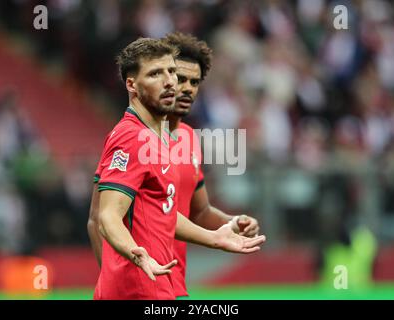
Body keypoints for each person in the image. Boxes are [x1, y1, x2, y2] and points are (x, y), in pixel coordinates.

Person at [89, 37, 265, 300]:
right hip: (138, 284)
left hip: (165, 281)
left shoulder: (172, 139)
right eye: (159, 74)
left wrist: (219, 234)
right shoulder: (130, 137)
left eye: (175, 73)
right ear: (132, 84)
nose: (176, 84)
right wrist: (127, 265)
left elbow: (167, 211)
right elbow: (104, 217)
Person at [164, 32, 260, 298]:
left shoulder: (189, 139)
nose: (187, 88)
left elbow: (199, 210)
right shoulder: (136, 137)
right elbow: (99, 220)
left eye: (194, 82)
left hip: (175, 285)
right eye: (179, 79)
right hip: (136, 288)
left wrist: (232, 222)